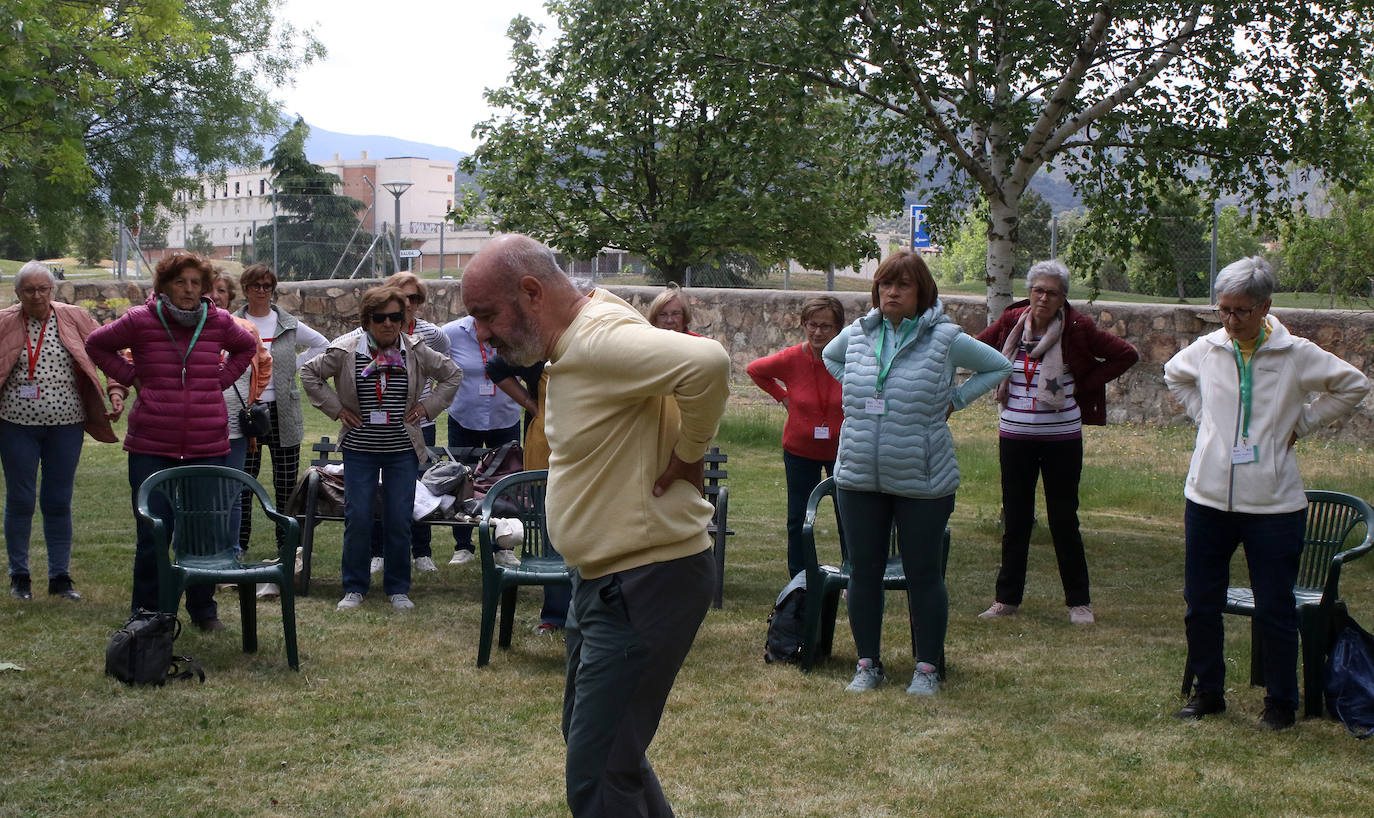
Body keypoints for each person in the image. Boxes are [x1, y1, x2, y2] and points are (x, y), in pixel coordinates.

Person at [460, 234, 729, 816]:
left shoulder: (598, 340)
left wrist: (691, 452)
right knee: (603, 754)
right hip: (604, 579)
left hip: (643, 578)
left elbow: (708, 363)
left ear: (532, 292)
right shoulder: (584, 331)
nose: (482, 334)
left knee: (599, 773)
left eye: (485, 315)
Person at [1165, 256, 1369, 730]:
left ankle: (1281, 702)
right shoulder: (1210, 347)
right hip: (1207, 501)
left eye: (1240, 311)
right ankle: (1208, 692)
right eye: (1223, 310)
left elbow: (1352, 384)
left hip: (1275, 507)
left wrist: (1304, 422)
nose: (1230, 321)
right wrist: (1207, 422)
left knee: (1275, 608)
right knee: (1200, 603)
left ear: (1265, 308)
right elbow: (1175, 375)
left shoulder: (1296, 353)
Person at [823, 250, 1011, 696]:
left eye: (902, 285)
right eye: (885, 284)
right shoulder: (857, 334)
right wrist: (856, 393)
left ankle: (926, 667)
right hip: (858, 476)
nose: (891, 291)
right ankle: (868, 664)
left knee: (923, 573)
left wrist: (955, 401)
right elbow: (830, 359)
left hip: (923, 479)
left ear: (921, 291)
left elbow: (998, 366)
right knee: (863, 571)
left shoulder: (945, 338)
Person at [86, 252, 257, 630]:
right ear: (164, 285)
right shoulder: (140, 319)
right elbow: (96, 345)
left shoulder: (217, 320)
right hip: (151, 444)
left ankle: (203, 611)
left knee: (202, 533)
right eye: (181, 282)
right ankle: (148, 613)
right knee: (153, 531)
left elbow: (247, 348)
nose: (189, 290)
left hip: (206, 442)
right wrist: (131, 377)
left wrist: (219, 380)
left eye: (197, 283)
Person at [975, 260, 1138, 624]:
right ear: (1029, 292)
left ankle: (1078, 602)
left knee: (1064, 519)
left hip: (1062, 438)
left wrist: (1083, 384)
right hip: (1014, 436)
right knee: (1016, 519)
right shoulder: (1010, 322)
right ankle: (1006, 600)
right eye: (1038, 290)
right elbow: (975, 349)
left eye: (1053, 292)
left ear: (1064, 297)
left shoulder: (1078, 327)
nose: (1044, 298)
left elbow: (1126, 354)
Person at [300, 286, 461, 612]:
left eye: (395, 317)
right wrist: (335, 408)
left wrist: (428, 407)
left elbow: (452, 374)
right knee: (358, 517)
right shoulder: (346, 350)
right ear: (367, 319)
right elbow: (309, 372)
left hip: (403, 449)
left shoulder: (415, 349)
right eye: (380, 317)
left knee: (399, 518)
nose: (388, 324)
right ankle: (354, 588)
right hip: (360, 449)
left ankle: (398, 588)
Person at [1, 261, 127, 601]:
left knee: (58, 500)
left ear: (53, 290)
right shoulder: (4, 322)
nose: (37, 296)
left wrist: (115, 390)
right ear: (18, 293)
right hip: (15, 424)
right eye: (29, 290)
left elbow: (107, 354)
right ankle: (20, 577)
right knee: (21, 499)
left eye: (43, 289)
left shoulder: (74, 317)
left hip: (66, 424)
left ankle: (60, 577)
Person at [746, 295, 846, 579]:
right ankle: (800, 577)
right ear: (803, 324)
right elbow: (755, 370)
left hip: (844, 450)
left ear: (838, 328)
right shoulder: (791, 358)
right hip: (800, 450)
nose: (818, 332)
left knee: (848, 517)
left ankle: (852, 574)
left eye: (826, 327)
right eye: (812, 325)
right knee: (799, 517)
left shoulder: (850, 358)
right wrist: (783, 397)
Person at [233, 263, 328, 553]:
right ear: (246, 289)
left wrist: (290, 369)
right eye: (255, 286)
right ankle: (239, 545)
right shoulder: (231, 322)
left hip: (282, 412)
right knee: (242, 484)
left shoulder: (286, 323)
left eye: (267, 286)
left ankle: (288, 547)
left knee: (286, 484)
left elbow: (321, 345)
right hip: (246, 412)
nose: (261, 291)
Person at [369, 272, 450, 574]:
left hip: (418, 424)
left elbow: (447, 372)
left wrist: (428, 406)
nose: (408, 303)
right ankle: (378, 551)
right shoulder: (376, 329)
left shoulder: (433, 335)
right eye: (402, 296)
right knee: (379, 487)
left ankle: (422, 551)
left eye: (414, 297)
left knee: (419, 486)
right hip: (379, 421)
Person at [210, 268, 274, 594]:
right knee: (201, 494)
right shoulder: (185, 331)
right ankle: (203, 557)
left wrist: (250, 398)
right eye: (209, 290)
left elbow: (264, 364)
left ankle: (232, 555)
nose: (214, 295)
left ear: (229, 296)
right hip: (198, 427)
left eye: (220, 290)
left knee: (232, 494)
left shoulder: (244, 329)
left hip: (235, 425)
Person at [441, 311, 523, 567]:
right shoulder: (451, 333)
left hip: (504, 417)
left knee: (507, 481)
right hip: (465, 417)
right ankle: (463, 545)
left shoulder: (513, 329)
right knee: (462, 480)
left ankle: (503, 546)